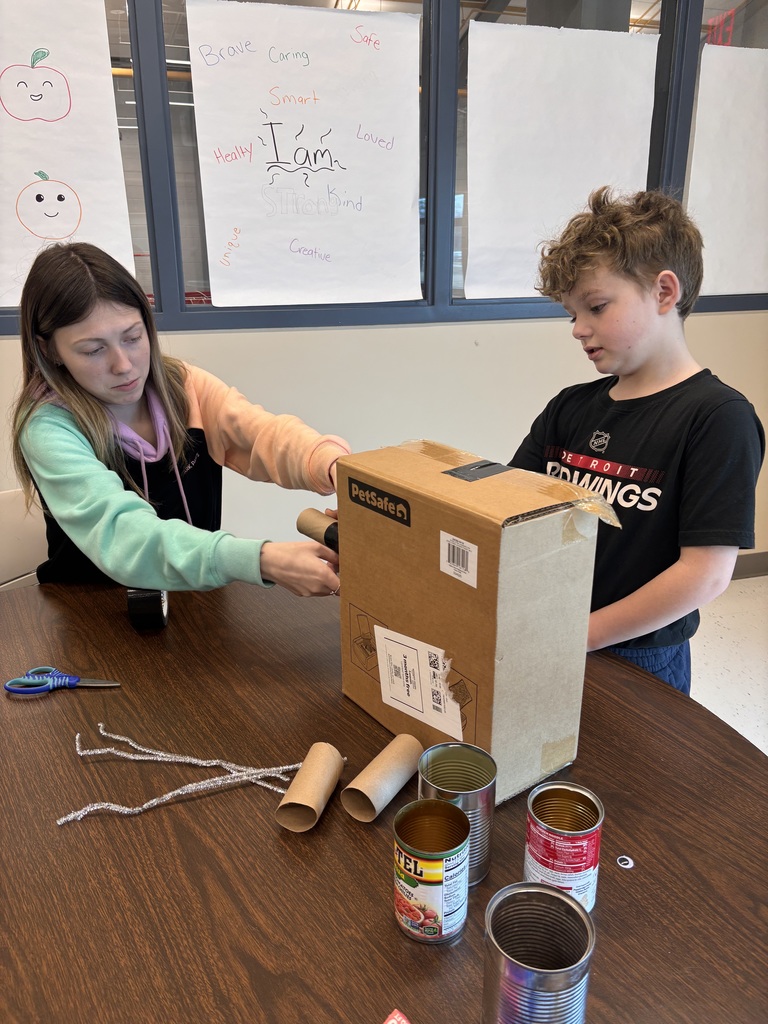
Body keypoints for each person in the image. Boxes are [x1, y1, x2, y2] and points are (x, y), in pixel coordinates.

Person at [508, 186, 764, 694]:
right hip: (554, 631)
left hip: (641, 653)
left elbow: (705, 575)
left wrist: (585, 635)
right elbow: (507, 502)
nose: (578, 329)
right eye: (571, 314)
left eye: (596, 307)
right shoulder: (570, 407)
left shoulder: (717, 418)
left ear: (664, 292)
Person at [12, 242, 350, 598]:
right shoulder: (48, 427)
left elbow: (263, 433)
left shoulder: (184, 386)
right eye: (93, 350)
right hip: (90, 615)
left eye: (132, 337)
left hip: (193, 604)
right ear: (49, 350)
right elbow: (125, 536)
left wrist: (335, 467)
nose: (123, 365)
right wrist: (260, 559)